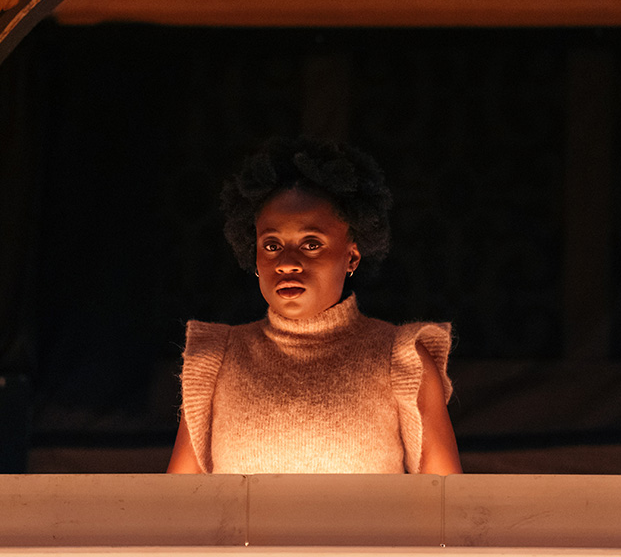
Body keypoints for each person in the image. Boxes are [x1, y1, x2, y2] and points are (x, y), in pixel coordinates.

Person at [167, 137, 462, 475]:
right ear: (255, 257)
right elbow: (179, 508)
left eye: (311, 244)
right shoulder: (215, 361)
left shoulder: (404, 360)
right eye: (272, 244)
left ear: (351, 255)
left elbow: (446, 508)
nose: (288, 263)